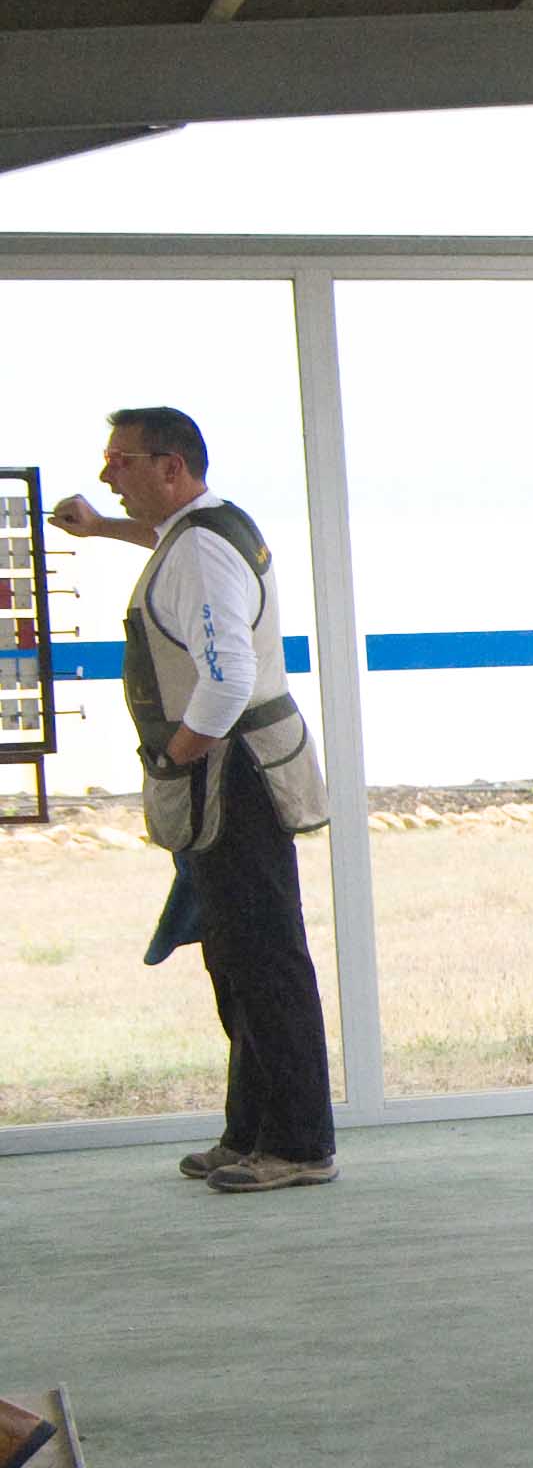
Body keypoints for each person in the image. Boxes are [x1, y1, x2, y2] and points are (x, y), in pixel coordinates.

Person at [54, 408, 339, 1194]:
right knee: (236, 956)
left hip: (230, 772)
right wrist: (104, 529)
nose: (108, 473)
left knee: (263, 959)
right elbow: (174, 549)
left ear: (170, 467)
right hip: (233, 768)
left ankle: (299, 1143)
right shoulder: (204, 529)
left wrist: (172, 761)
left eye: (120, 460)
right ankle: (253, 1130)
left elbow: (227, 679)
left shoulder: (204, 547)